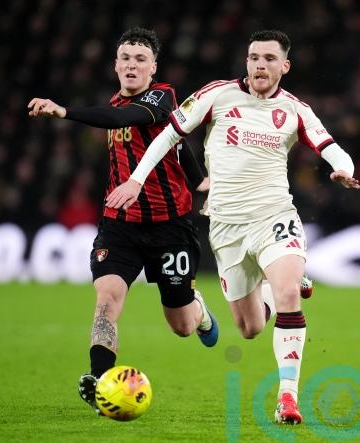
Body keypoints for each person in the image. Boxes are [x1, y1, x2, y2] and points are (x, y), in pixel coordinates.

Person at [108, 30, 360, 424]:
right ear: (246, 62)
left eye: (269, 59)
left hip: (274, 215)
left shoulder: (295, 110)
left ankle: (287, 398)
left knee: (289, 293)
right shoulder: (218, 94)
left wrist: (344, 169)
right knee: (249, 327)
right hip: (226, 226)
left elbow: (331, 147)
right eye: (254, 57)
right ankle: (278, 290)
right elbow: (167, 136)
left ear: (284, 66)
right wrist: (137, 180)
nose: (260, 64)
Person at [27, 27, 218, 416]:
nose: (132, 65)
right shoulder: (115, 104)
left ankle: (197, 308)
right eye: (126, 59)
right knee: (107, 299)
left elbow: (131, 120)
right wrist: (199, 179)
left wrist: (64, 112)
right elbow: (175, 144)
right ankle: (101, 381)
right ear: (115, 65)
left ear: (153, 68)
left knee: (181, 325)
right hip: (120, 224)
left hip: (169, 227)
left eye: (141, 59)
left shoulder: (162, 97)